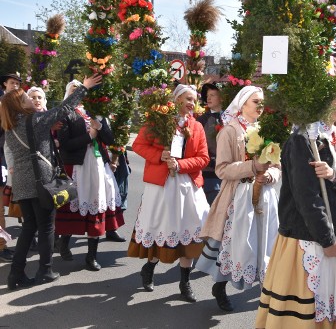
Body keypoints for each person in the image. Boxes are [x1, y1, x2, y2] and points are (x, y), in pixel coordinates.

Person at [255, 91, 336, 328]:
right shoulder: (301, 140)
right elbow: (306, 198)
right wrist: (327, 240)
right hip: (307, 235)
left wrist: (333, 175)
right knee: (309, 306)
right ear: (320, 100)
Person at [1, 74, 102, 289]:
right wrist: (84, 88)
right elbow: (64, 109)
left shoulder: (11, 125)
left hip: (22, 183)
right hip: (41, 183)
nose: (30, 99)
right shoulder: (34, 120)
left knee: (29, 227)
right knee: (46, 227)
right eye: (26, 97)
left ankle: (15, 275)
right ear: (20, 103)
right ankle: (45, 270)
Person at [197, 85, 281, 312]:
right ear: (242, 103)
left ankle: (266, 289)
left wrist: (270, 174)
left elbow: (276, 164)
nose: (260, 107)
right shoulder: (230, 130)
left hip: (264, 196)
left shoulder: (265, 128)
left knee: (264, 243)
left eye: (262, 103)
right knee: (235, 244)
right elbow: (222, 169)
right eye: (256, 102)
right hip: (238, 197)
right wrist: (253, 166)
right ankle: (220, 286)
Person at [128, 84, 210, 303]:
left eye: (194, 100)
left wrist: (181, 165)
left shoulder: (197, 127)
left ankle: (185, 282)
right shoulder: (158, 120)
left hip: (188, 187)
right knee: (160, 229)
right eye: (188, 99)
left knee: (188, 234)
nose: (192, 103)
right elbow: (138, 145)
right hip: (162, 186)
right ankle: (149, 268)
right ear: (175, 99)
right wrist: (160, 155)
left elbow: (203, 158)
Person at [55, 80, 125, 271]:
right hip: (76, 167)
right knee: (73, 206)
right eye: (74, 90)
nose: (78, 93)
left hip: (97, 166)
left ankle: (91, 256)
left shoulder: (94, 112)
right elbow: (65, 144)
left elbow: (110, 140)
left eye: (81, 90)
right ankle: (63, 242)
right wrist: (89, 136)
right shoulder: (64, 113)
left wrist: (100, 128)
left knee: (96, 204)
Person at [0, 73, 22, 262]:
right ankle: (1, 246)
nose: (14, 86)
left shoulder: (19, 106)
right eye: (11, 83)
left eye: (17, 83)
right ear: (4, 84)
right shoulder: (2, 105)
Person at [197, 83, 224, 205]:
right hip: (209, 174)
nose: (208, 98)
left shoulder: (230, 118)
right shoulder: (202, 120)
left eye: (213, 95)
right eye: (207, 95)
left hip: (228, 174)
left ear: (221, 98)